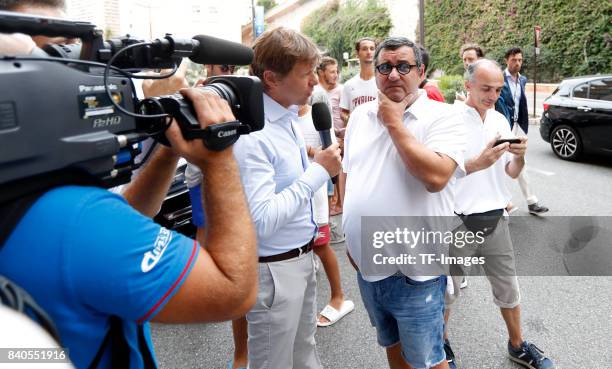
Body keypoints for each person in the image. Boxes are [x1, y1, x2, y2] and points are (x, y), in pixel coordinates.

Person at [342, 36, 466, 369]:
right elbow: (347, 173)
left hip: (417, 274)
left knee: (428, 359)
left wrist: (394, 122)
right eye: (385, 67)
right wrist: (349, 238)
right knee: (392, 347)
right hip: (368, 269)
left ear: (420, 71)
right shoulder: (359, 117)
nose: (393, 75)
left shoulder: (444, 117)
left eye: (403, 66)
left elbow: (436, 177)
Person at [234, 27, 341, 369]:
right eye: (306, 73)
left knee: (304, 355)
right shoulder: (254, 134)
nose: (314, 81)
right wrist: (318, 172)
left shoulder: (286, 117)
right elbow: (261, 220)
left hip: (300, 259)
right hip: (274, 271)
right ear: (271, 78)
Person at [444, 59, 555, 369]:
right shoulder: (449, 120)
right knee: (448, 290)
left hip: (495, 217)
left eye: (497, 89)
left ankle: (517, 345)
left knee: (508, 286)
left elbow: (509, 171)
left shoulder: (499, 120)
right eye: (485, 89)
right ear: (468, 85)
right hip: (458, 219)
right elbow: (438, 172)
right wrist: (477, 162)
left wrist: (520, 158)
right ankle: (441, 346)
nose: (492, 95)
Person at [295, 103, 354, 327]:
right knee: (297, 248)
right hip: (290, 193)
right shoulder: (280, 117)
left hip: (316, 191)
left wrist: (308, 150)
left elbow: (331, 155)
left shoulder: (316, 116)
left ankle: (338, 297)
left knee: (320, 245)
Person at [495, 47, 549, 215]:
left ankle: (531, 201)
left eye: (520, 60)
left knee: (519, 161)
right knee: (499, 163)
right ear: (506, 60)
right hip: (502, 126)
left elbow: (520, 103)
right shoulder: (499, 79)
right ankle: (502, 201)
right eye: (513, 60)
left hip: (517, 126)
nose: (517, 63)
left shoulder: (523, 80)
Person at [340, 37, 378, 122]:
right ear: (357, 53)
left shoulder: (383, 83)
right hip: (357, 133)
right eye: (364, 49)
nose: (369, 52)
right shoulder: (349, 85)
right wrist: (352, 121)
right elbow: (343, 112)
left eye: (372, 49)